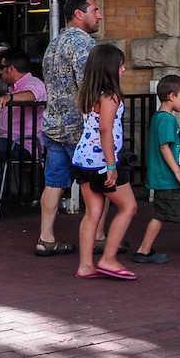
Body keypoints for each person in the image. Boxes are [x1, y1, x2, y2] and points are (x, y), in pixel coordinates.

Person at [34, 0, 104, 258]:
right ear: (79, 13)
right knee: (94, 184)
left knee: (53, 183)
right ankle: (97, 237)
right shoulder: (84, 43)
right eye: (95, 10)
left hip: (53, 123)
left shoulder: (54, 44)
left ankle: (46, 237)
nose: (99, 15)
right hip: (80, 127)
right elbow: (91, 85)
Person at [70, 44, 138, 280]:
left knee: (93, 212)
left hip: (83, 160)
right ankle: (108, 258)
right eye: (121, 65)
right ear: (111, 68)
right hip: (102, 162)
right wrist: (112, 166)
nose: (124, 70)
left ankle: (85, 265)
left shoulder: (89, 94)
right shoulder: (111, 96)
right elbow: (106, 129)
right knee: (128, 207)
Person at [133, 74, 180, 264]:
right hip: (167, 178)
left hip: (174, 178)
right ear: (171, 96)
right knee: (161, 214)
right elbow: (164, 146)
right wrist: (177, 171)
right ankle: (143, 250)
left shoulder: (162, 118)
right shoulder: (166, 120)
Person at [0, 48, 46, 163]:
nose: (0, 72)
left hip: (23, 144)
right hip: (7, 141)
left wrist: (9, 98)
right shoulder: (13, 88)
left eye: (1, 68)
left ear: (10, 69)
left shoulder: (34, 82)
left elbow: (32, 95)